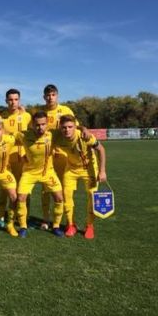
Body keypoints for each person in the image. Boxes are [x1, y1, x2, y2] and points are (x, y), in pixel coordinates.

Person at [14, 111, 64, 238]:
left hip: (48, 172)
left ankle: (56, 226)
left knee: (59, 198)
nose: (40, 127)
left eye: (43, 124)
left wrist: (83, 128)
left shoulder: (53, 134)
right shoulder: (23, 135)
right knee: (20, 198)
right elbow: (6, 137)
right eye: (37, 125)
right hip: (29, 173)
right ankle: (23, 226)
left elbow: (72, 127)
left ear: (47, 124)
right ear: (32, 124)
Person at [57, 115, 107, 239]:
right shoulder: (57, 136)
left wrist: (102, 171)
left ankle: (89, 226)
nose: (67, 130)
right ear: (60, 128)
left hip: (88, 169)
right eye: (64, 127)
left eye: (70, 127)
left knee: (92, 197)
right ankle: (71, 225)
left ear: (75, 127)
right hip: (71, 169)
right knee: (66, 197)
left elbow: (101, 150)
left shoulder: (85, 136)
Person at [40, 84, 77, 229]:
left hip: (63, 156)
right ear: (44, 97)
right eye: (48, 95)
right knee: (45, 190)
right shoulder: (40, 112)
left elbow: (75, 127)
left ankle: (69, 221)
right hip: (46, 156)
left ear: (57, 95)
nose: (50, 97)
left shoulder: (66, 110)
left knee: (65, 190)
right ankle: (45, 219)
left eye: (53, 95)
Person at [0, 89, 32, 228]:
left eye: (16, 99)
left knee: (24, 190)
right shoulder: (0, 118)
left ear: (19, 100)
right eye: (10, 99)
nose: (13, 102)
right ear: (6, 101)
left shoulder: (27, 116)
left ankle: (23, 217)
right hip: (6, 159)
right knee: (4, 190)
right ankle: (0, 218)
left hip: (23, 158)